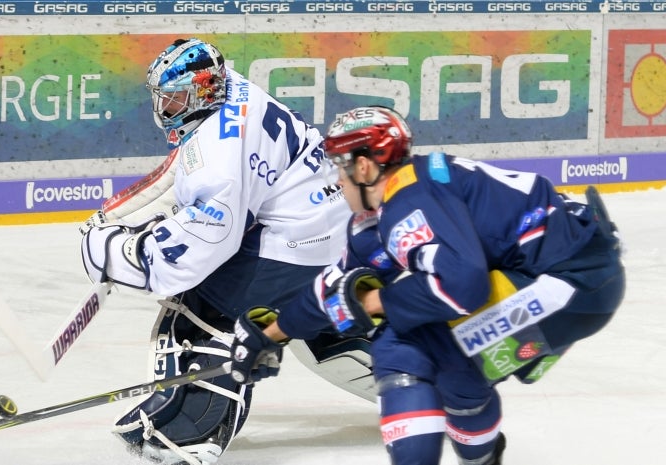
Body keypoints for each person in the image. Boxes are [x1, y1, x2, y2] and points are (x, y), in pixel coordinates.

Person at [228, 106, 625, 464]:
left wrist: (375, 300)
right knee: (455, 368)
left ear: (364, 167)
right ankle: (484, 457)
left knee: (402, 345)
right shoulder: (385, 211)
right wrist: (271, 333)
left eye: (339, 165)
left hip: (569, 281)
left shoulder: (410, 201)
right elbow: (336, 288)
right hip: (567, 276)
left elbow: (462, 288)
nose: (337, 180)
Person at [79, 38, 350, 464]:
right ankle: (402, 361)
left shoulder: (217, 158)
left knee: (200, 310)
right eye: (162, 98)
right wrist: (116, 216)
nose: (165, 109)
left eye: (174, 99)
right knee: (296, 309)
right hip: (338, 231)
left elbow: (187, 261)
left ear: (201, 91)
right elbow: (181, 171)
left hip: (300, 246)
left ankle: (188, 435)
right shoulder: (233, 89)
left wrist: (119, 252)